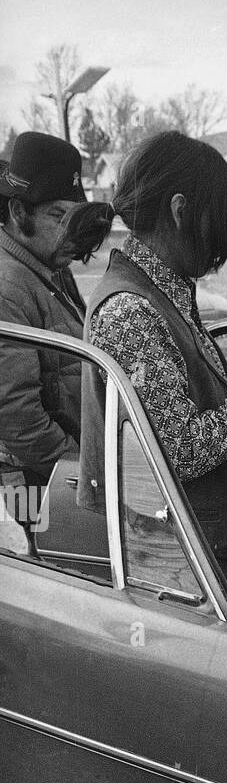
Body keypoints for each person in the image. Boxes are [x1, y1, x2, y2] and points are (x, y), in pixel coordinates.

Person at [80, 131, 227, 600]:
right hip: (176, 559)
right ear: (179, 210)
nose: (220, 244)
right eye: (218, 220)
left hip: (198, 545)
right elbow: (180, 451)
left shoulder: (162, 288)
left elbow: (188, 411)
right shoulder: (132, 310)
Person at [0, 132, 88, 546]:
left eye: (76, 216)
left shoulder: (52, 266)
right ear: (18, 212)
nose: (71, 232)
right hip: (35, 478)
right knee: (58, 576)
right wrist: (84, 472)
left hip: (63, 468)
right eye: (58, 215)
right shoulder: (7, 286)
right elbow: (19, 420)